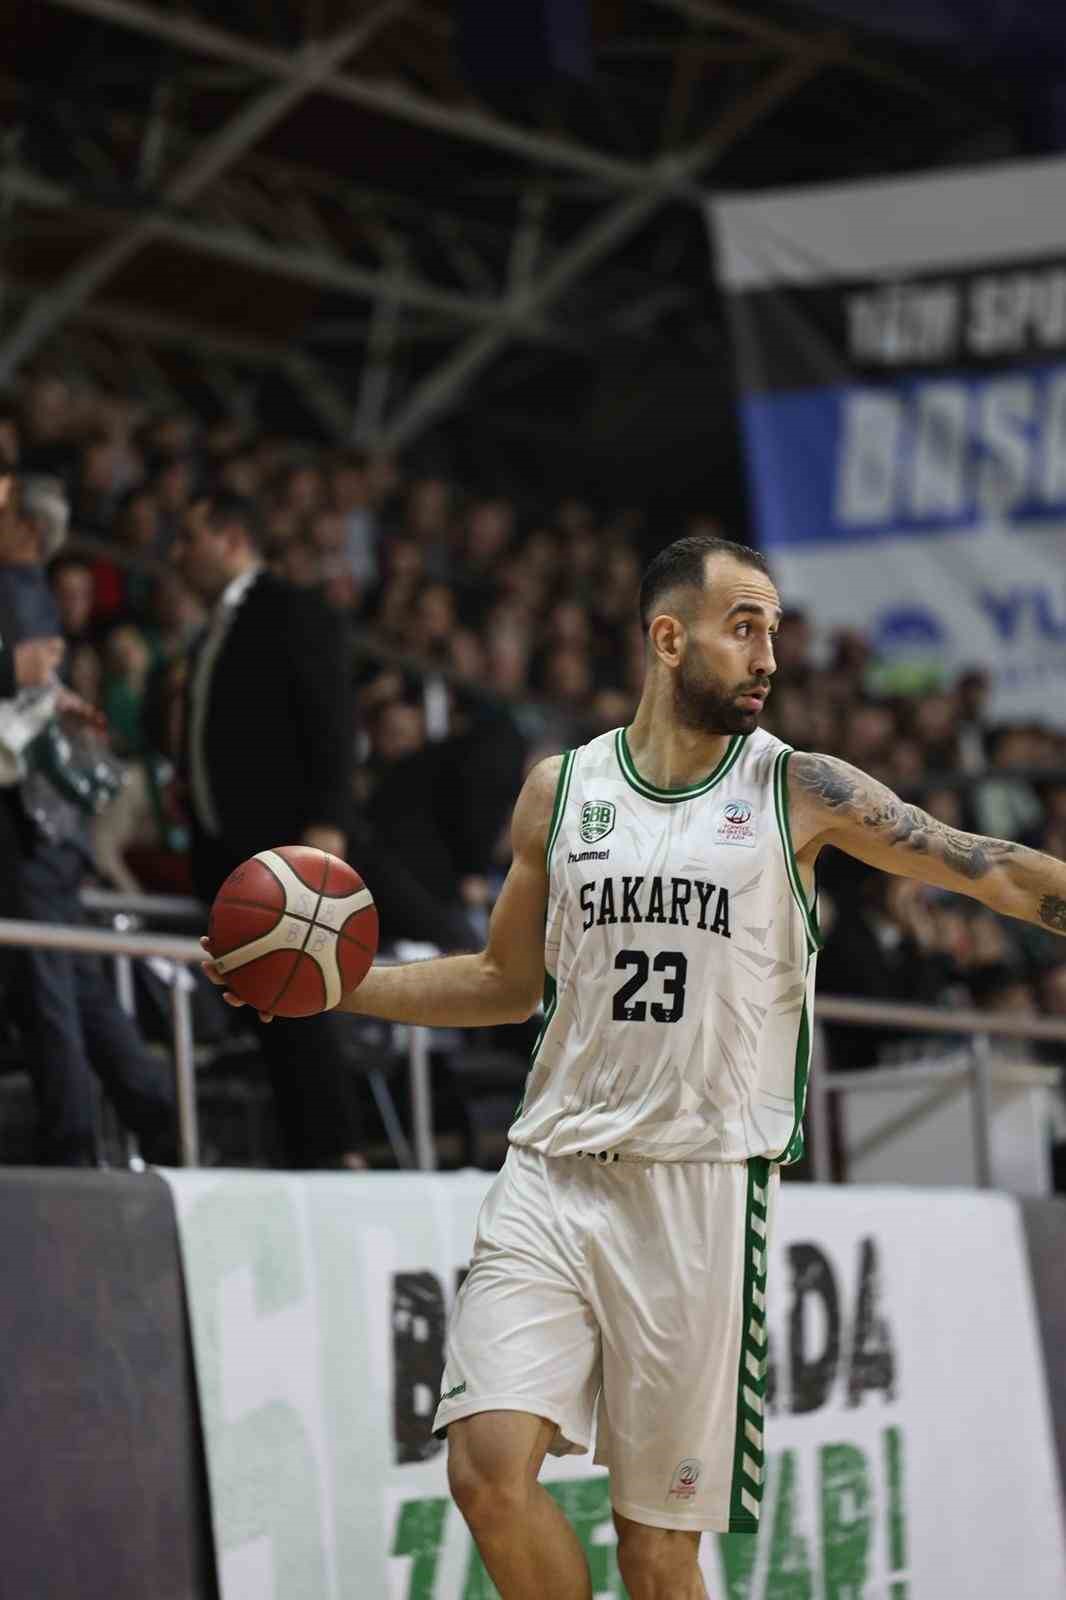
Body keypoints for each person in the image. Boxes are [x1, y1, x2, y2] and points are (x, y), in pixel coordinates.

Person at [203, 533, 1066, 1600]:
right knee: (485, 1475)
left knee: (656, 1555)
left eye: (773, 632)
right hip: (551, 1170)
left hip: (696, 1190)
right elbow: (503, 982)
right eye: (742, 628)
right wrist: (340, 986)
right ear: (668, 638)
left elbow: (993, 871)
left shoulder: (799, 787)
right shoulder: (559, 791)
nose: (768, 656)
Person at [171, 488, 369, 1170]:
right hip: (230, 854)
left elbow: (332, 719)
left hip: (287, 848)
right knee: (269, 1012)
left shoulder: (290, 607)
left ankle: (340, 1156)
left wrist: (328, 825)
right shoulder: (212, 630)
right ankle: (306, 1160)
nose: (177, 553)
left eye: (190, 537)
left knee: (301, 998)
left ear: (230, 538)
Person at [0, 471, 177, 1165]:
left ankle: (72, 1145)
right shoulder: (32, 596)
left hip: (29, 825)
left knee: (47, 990)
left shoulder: (15, 591)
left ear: (28, 528)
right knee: (75, 982)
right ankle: (154, 1109)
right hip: (52, 829)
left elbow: (21, 684)